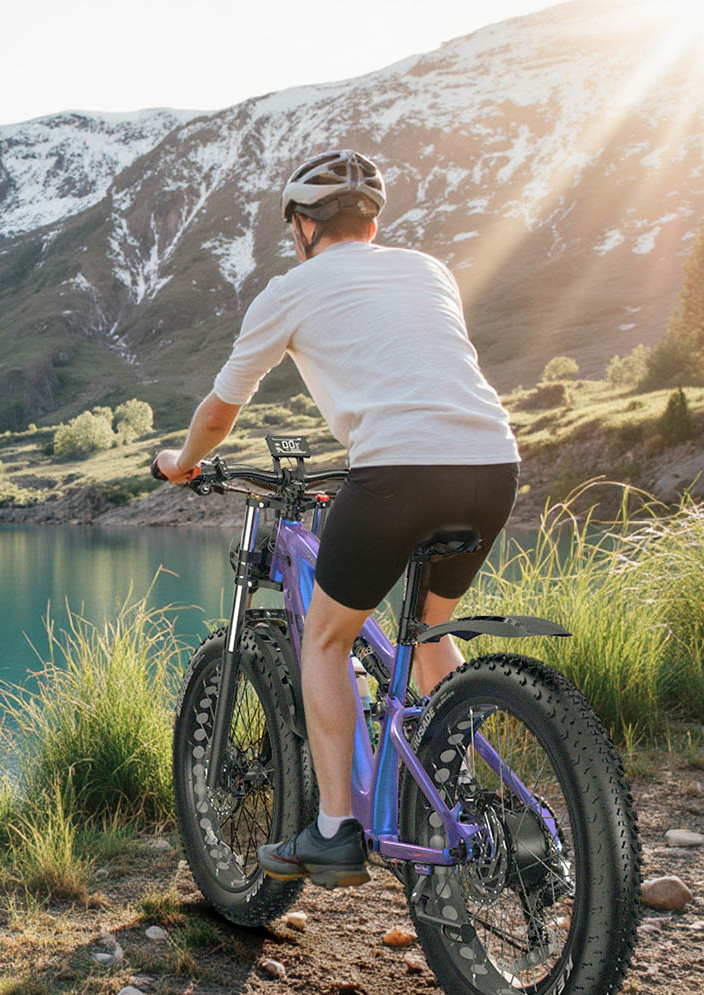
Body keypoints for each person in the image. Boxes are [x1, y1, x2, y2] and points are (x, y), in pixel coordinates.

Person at [153, 150, 520, 887]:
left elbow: (222, 410)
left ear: (301, 227)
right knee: (429, 632)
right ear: (373, 223)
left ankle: (333, 829)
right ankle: (478, 801)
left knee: (326, 638)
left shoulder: (291, 289)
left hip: (395, 471)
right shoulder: (428, 269)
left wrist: (184, 460)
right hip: (492, 463)